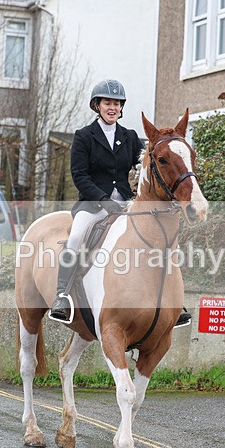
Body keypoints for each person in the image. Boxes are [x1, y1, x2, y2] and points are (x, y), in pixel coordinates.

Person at [48, 78, 191, 328]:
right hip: (93, 206)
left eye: (116, 103)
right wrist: (103, 201)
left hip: (127, 205)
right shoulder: (84, 137)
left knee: (161, 238)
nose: (112, 107)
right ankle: (62, 296)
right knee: (77, 235)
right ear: (97, 106)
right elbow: (79, 176)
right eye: (107, 103)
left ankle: (173, 302)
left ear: (121, 107)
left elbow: (149, 161)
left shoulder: (130, 136)